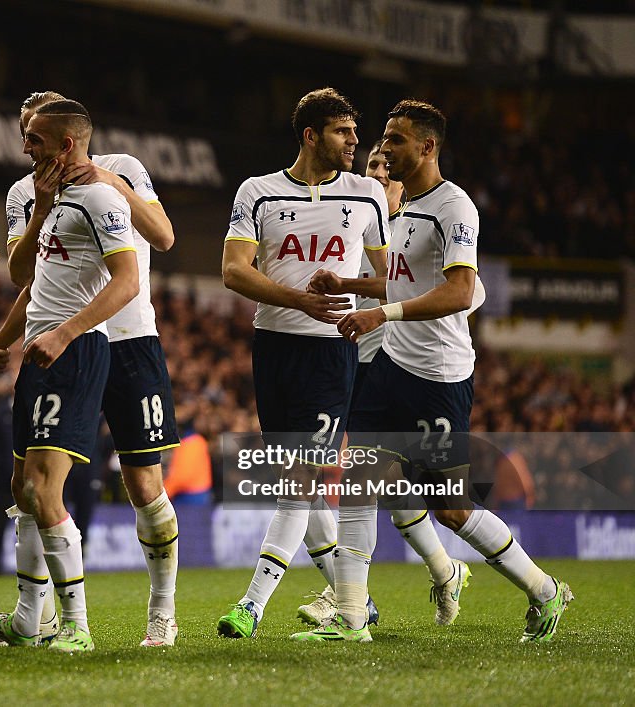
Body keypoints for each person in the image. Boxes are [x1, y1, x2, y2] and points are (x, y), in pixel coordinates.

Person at [294, 99, 572, 643]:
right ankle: (351, 617)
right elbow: (403, 281)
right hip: (391, 365)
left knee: (451, 509)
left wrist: (382, 312)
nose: (385, 148)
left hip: (438, 378)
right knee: (358, 482)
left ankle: (544, 590)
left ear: (426, 146)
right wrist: (349, 286)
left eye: (395, 140)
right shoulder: (399, 209)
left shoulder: (454, 208)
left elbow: (460, 291)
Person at [0, 91, 182, 648]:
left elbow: (162, 236)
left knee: (142, 481)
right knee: (32, 483)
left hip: (129, 339)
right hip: (60, 341)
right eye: (23, 129)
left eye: (34, 132)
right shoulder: (24, 193)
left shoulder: (122, 171)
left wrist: (110, 185)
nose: (25, 143)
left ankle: (161, 612)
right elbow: (29, 278)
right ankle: (35, 616)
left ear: (67, 136)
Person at [215, 88, 389, 639]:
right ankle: (352, 598)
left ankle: (252, 604)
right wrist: (299, 301)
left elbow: (393, 276)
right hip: (273, 347)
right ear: (311, 135)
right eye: (343, 132)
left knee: (297, 479)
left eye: (355, 133)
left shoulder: (368, 196)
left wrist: (356, 300)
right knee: (302, 482)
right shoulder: (259, 193)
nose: (354, 142)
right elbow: (234, 271)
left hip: (331, 351)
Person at [296, 141, 486, 629]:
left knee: (362, 483)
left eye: (386, 166)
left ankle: (348, 596)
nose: (377, 173)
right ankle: (438, 572)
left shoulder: (422, 229)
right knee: (375, 486)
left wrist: (397, 312)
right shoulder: (357, 222)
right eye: (371, 166)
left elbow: (466, 291)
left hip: (394, 366)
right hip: (349, 362)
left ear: (405, 177)